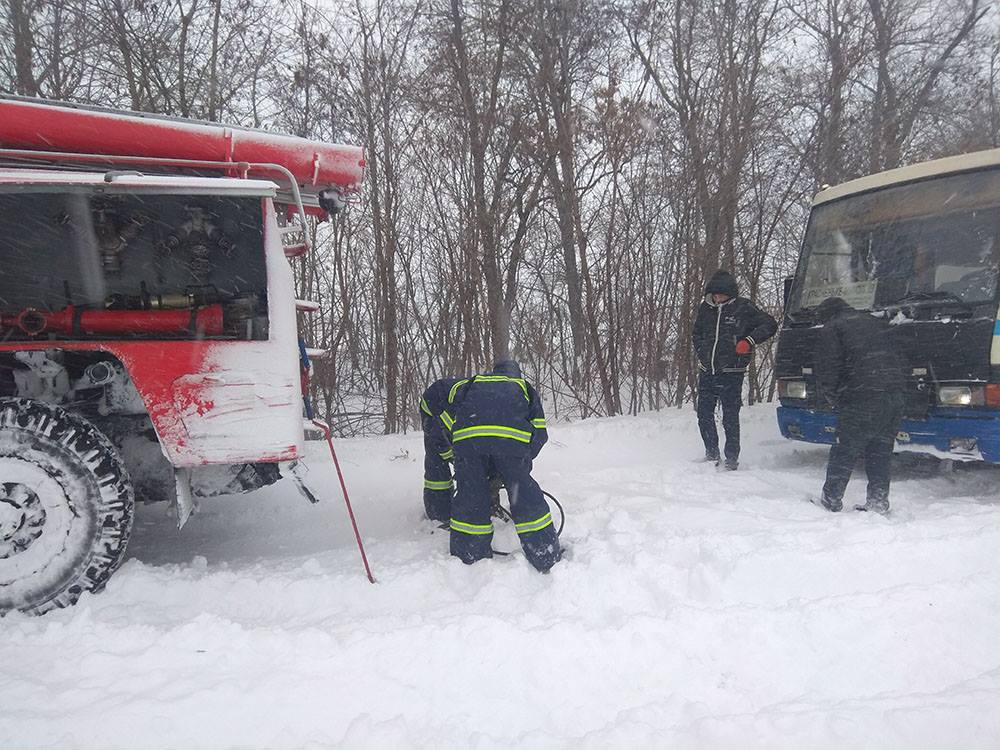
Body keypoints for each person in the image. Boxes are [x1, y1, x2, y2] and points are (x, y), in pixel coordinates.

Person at [440, 359, 560, 572]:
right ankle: (544, 553)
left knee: (470, 495)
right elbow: (540, 433)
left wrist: (463, 451)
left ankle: (469, 556)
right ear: (516, 374)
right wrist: (520, 464)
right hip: (510, 444)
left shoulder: (474, 382)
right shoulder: (523, 387)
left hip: (469, 441)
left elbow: (449, 416)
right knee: (523, 495)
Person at [813, 296, 905, 514]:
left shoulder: (833, 328)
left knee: (844, 449)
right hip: (894, 394)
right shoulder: (873, 322)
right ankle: (878, 502)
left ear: (827, 315)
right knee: (880, 450)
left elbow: (828, 367)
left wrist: (834, 397)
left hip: (862, 395)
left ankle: (831, 498)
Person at [691, 270, 778, 469]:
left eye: (722, 294)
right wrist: (702, 352)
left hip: (731, 372)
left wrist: (748, 341)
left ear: (730, 293)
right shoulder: (705, 308)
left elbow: (770, 324)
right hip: (707, 371)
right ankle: (711, 453)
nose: (718, 297)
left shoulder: (743, 308)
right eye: (715, 294)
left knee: (730, 416)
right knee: (704, 414)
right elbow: (696, 334)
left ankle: (731, 458)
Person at [419, 376, 464, 523]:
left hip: (450, 404)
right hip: (432, 407)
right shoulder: (453, 419)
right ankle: (438, 512)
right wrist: (456, 459)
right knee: (437, 460)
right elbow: (439, 438)